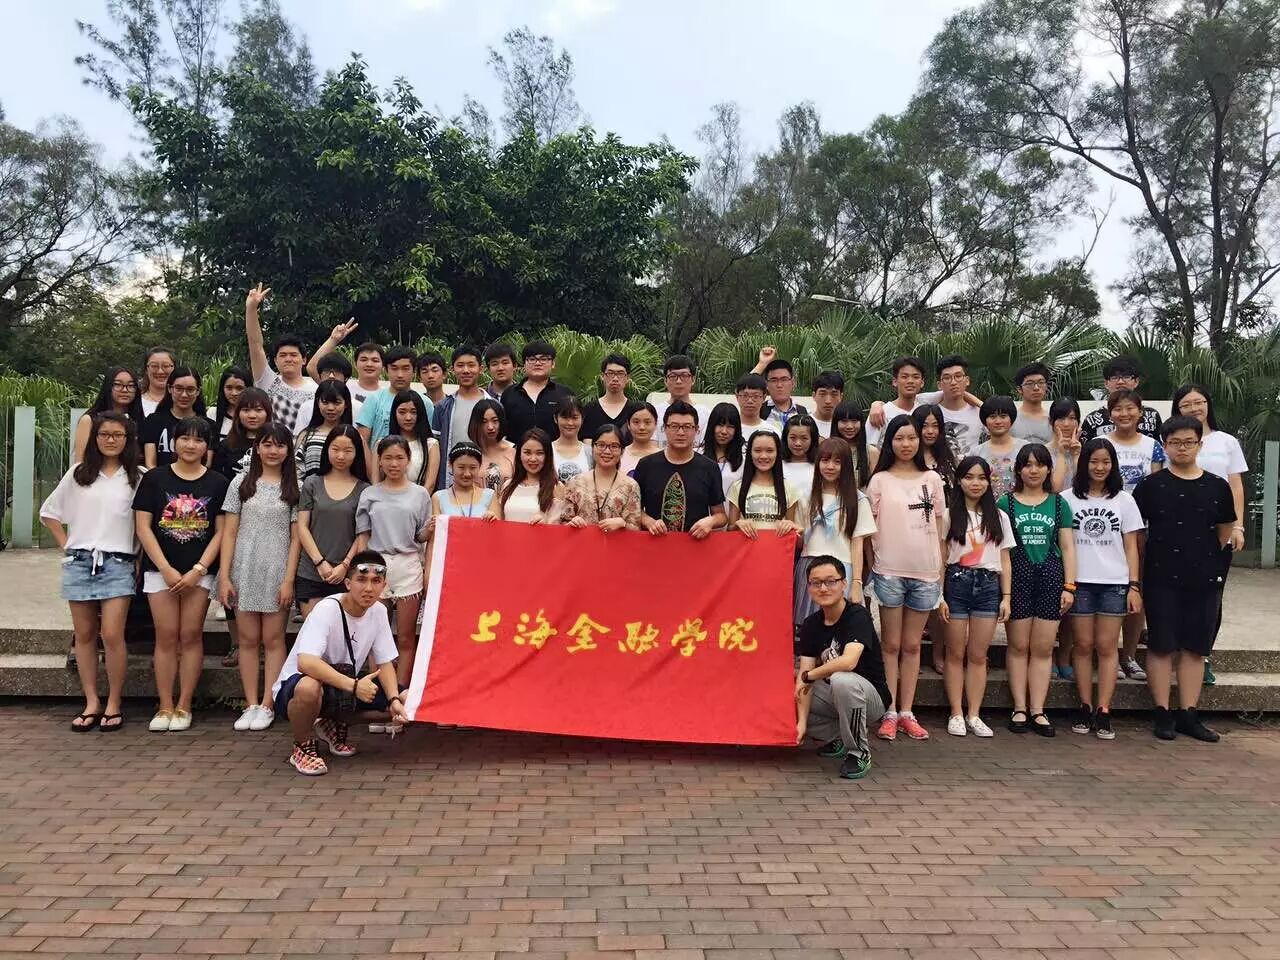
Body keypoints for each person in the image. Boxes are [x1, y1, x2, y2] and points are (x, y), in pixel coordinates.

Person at [1134, 416, 1236, 743]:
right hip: (1160, 574)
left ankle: (1188, 714)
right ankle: (1162, 712)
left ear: (1199, 445)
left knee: (1195, 646)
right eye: (1175, 442)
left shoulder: (1217, 486)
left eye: (1189, 442)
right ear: (1165, 446)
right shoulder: (1151, 485)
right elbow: (1137, 533)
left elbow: (1224, 531)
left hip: (1204, 576)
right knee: (1162, 644)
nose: (1182, 448)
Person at [40, 412, 142, 732]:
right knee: (84, 634)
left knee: (111, 634)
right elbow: (49, 513)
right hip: (80, 561)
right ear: (95, 438)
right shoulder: (79, 474)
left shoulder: (138, 477)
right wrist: (67, 546)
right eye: (104, 434)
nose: (110, 440)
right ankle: (91, 701)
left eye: (117, 435)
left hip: (119, 562)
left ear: (128, 440)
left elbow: (145, 524)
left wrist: (140, 558)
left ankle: (114, 702)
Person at [270, 550, 409, 776]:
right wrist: (354, 686)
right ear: (347, 583)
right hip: (297, 688)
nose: (368, 588)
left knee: (407, 700)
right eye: (361, 580)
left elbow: (384, 663)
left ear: (384, 585)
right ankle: (302, 746)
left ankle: (330, 723)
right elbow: (306, 662)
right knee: (309, 687)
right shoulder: (327, 608)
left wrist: (393, 698)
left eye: (376, 581)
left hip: (343, 685)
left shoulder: (379, 611)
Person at [132, 416, 228, 733]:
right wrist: (165, 568)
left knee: (190, 635)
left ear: (207, 446)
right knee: (166, 635)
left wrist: (199, 569)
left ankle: (185, 704)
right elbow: (143, 527)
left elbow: (221, 532)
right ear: (174, 442)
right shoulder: (154, 479)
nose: (191, 445)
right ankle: (164, 705)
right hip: (160, 571)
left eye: (199, 439)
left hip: (200, 573)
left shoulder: (218, 483)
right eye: (185, 438)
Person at [866, 415, 948, 741]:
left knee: (913, 645)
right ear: (890, 442)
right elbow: (869, 531)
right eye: (899, 438)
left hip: (925, 574)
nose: (906, 444)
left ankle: (907, 712)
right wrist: (873, 567)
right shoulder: (879, 480)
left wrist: (940, 573)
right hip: (888, 572)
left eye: (911, 437)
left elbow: (939, 529)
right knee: (890, 644)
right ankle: (888, 711)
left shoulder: (932, 479)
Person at [219, 424, 301, 733]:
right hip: (244, 568)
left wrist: (288, 579)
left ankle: (269, 702)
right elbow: (229, 532)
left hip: (277, 570)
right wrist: (225, 576)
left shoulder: (295, 488)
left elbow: (297, 538)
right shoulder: (241, 483)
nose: (273, 451)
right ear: (257, 448)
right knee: (248, 640)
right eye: (267, 444)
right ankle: (251, 703)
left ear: (288, 450)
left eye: (280, 445)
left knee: (274, 639)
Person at [1062, 438, 1143, 740]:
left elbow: (1131, 547)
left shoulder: (1125, 501)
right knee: (1083, 645)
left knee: (1108, 647)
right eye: (1094, 461)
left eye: (1106, 462)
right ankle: (1085, 705)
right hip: (1080, 582)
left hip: (1114, 583)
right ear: (1084, 464)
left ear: (1113, 465)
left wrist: (1134, 585)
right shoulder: (1067, 499)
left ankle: (1104, 709)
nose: (1099, 467)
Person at [1173, 383, 1248, 686]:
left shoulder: (1226, 441)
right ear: (1177, 409)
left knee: (1210, 597)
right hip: (1175, 533)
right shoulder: (1170, 441)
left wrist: (1238, 526)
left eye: (1199, 402)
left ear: (1208, 405)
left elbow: (1236, 486)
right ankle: (1177, 653)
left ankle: (1201, 655)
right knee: (1173, 596)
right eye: (1187, 404)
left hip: (1217, 532)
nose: (1194, 408)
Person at [998, 443, 1076, 738]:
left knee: (1043, 648)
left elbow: (1067, 547)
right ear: (1018, 470)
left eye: (1040, 464)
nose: (1033, 470)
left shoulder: (1058, 504)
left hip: (1050, 576)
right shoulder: (1005, 503)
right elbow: (1000, 550)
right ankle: (1019, 707)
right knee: (1018, 646)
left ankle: (1038, 709)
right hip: (1017, 575)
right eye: (1027, 465)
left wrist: (1070, 585)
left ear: (1048, 469)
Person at [795, 556, 892, 781]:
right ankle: (839, 737)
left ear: (843, 584)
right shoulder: (811, 624)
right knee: (791, 691)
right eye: (816, 583)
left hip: (870, 697)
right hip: (834, 694)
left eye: (830, 581)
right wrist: (801, 723)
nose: (823, 588)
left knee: (842, 679)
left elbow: (849, 662)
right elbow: (804, 676)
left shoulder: (857, 615)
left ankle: (858, 752)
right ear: (808, 587)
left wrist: (810, 676)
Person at [939, 456, 1014, 738]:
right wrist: (939, 595)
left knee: (979, 655)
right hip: (956, 583)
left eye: (982, 478)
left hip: (988, 585)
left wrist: (1006, 597)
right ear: (959, 481)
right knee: (955, 653)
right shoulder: (949, 515)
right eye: (969, 477)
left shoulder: (1000, 517)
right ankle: (956, 712)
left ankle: (974, 714)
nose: (976, 483)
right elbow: (941, 557)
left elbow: (1004, 559)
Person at [356, 437, 432, 689]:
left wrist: (429, 529)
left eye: (399, 457)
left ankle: (399, 693)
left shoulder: (420, 494)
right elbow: (363, 535)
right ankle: (376, 691)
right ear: (379, 461)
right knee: (376, 635)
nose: (394, 463)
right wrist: (361, 571)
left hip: (408, 565)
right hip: (376, 566)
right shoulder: (369, 494)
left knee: (406, 637)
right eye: (388, 458)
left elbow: (420, 535)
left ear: (409, 460)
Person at [795, 438, 875, 627]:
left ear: (846, 465)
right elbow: (799, 542)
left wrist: (856, 582)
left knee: (840, 627)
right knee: (810, 628)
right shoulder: (806, 497)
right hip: (810, 568)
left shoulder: (858, 500)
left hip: (841, 570)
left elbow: (857, 542)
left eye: (837, 462)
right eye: (825, 460)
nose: (830, 466)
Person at [296, 426, 370, 617]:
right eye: (335, 449)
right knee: (314, 630)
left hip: (347, 575)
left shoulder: (364, 489)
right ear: (326, 449)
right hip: (310, 571)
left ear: (357, 453)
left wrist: (345, 565)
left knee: (343, 631)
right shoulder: (312, 483)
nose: (340, 456)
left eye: (348, 450)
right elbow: (302, 526)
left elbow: (362, 534)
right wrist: (320, 562)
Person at [634, 402, 726, 538]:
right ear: (664, 428)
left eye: (687, 427)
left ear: (697, 430)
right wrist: (649, 522)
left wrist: (710, 521)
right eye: (674, 426)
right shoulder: (646, 465)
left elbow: (721, 515)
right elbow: (633, 510)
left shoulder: (709, 467)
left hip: (695, 544)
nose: (681, 432)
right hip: (655, 542)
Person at [244, 284, 317, 434]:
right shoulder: (268, 382)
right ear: (276, 361)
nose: (288, 359)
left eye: (293, 355)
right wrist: (251, 309)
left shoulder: (316, 388)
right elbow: (255, 345)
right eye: (283, 355)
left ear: (304, 360)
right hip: (273, 445)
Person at [559, 426, 644, 531]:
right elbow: (562, 524)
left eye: (614, 446)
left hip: (615, 541)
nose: (607, 451)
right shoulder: (575, 482)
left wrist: (623, 524)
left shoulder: (630, 486)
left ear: (622, 451)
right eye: (601, 445)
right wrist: (572, 522)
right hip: (582, 540)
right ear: (592, 448)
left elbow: (636, 529)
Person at [725, 431, 801, 539]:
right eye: (757, 450)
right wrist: (737, 525)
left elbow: (795, 537)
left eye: (770, 451)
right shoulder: (737, 487)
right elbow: (729, 532)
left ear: (777, 453)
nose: (764, 456)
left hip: (777, 548)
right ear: (750, 453)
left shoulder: (789, 488)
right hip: (746, 548)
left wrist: (792, 527)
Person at [430, 345, 489, 476]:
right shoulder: (443, 407)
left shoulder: (493, 405)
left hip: (484, 475)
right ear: (452, 369)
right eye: (460, 365)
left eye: (471, 365)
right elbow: (435, 447)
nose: (466, 370)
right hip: (451, 477)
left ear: (481, 369)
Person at [500, 341, 574, 443]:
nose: (538, 363)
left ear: (553, 363)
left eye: (543, 359)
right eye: (532, 359)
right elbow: (502, 430)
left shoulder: (565, 394)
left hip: (555, 451)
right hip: (516, 451)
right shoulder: (509, 394)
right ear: (524, 364)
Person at [356, 347, 424, 450]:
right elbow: (361, 442)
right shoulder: (373, 400)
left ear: (414, 370)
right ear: (386, 370)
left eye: (405, 368)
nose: (400, 375)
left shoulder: (424, 402)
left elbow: (428, 440)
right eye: (394, 368)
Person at [141, 366, 209, 469]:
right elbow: (150, 464)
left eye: (190, 389)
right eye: (178, 389)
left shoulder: (208, 425)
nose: (184, 395)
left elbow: (206, 464)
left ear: (198, 391)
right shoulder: (153, 421)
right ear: (169, 388)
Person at [1081, 356, 1164, 441]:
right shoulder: (1093, 420)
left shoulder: (1152, 416)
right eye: (1114, 377)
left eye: (1126, 377)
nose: (1120, 382)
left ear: (1136, 381)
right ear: (1106, 383)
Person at [74, 367, 144, 462]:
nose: (125, 390)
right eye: (118, 384)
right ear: (108, 387)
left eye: (131, 386)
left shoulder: (140, 421)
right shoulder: (89, 420)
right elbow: (79, 461)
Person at [497, 428, 566, 524]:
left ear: (547, 456)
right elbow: (500, 520)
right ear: (519, 454)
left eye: (539, 453)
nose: (533, 459)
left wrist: (546, 523)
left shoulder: (557, 487)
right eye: (527, 453)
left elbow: (562, 526)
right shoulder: (508, 485)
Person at [295, 380, 354, 483]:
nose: (330, 408)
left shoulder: (355, 437)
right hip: (310, 491)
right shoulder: (306, 436)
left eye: (337, 403)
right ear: (317, 402)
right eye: (325, 402)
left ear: (346, 404)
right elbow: (296, 472)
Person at [865, 356, 929, 447]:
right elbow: (869, 447)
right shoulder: (880, 413)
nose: (910, 381)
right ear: (895, 381)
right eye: (904, 377)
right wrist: (876, 404)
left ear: (922, 383)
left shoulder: (925, 410)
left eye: (915, 377)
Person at [212, 387, 272, 481]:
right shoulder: (226, 445)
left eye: (258, 410)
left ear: (267, 412)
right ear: (238, 413)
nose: (252, 416)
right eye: (246, 410)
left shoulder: (276, 444)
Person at [974, 396, 1027, 501]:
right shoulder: (976, 452)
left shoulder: (1025, 448)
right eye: (992, 417)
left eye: (1003, 416)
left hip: (1020, 506)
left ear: (1011, 419)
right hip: (987, 507)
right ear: (985, 421)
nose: (998, 421)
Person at [581, 353, 643, 441]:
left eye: (620, 374)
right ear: (602, 376)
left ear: (628, 378)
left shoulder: (635, 410)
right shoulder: (590, 409)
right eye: (610, 373)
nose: (615, 378)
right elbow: (586, 441)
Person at [431, 442, 497, 522]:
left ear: (480, 466)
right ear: (451, 465)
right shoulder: (439, 497)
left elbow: (499, 528)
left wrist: (493, 519)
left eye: (473, 468)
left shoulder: (489, 496)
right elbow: (436, 528)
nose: (467, 474)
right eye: (461, 467)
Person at [387, 390, 440, 489]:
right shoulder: (382, 444)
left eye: (413, 412)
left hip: (421, 497)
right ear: (394, 413)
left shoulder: (431, 444)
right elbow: (376, 481)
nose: (408, 417)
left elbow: (430, 484)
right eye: (402, 412)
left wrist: (417, 499)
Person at [654, 356, 710, 445]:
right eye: (673, 376)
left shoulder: (705, 414)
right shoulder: (655, 413)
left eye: (684, 376)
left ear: (693, 379)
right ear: (665, 380)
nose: (679, 381)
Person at [750, 349, 808, 428]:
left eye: (784, 379)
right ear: (766, 384)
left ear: (793, 382)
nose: (779, 385)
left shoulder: (804, 413)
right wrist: (762, 363)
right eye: (774, 380)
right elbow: (745, 387)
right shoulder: (758, 410)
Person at [468, 398, 516, 492]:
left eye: (495, 421)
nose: (490, 427)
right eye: (484, 422)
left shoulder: (514, 451)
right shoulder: (469, 453)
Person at [303, 318, 361, 389]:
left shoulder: (351, 388)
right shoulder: (333, 387)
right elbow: (312, 367)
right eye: (327, 371)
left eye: (337, 372)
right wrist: (333, 339)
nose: (331, 376)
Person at [703, 403, 745, 495]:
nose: (724, 431)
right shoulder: (696, 455)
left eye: (730, 427)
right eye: (720, 425)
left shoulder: (743, 462)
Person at [833, 402, 878, 487]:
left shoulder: (871, 452)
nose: (849, 426)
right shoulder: (827, 449)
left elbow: (877, 485)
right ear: (836, 423)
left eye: (854, 421)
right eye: (844, 421)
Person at [551, 395, 593, 483]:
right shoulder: (547, 450)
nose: (570, 423)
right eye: (565, 417)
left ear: (582, 419)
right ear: (555, 418)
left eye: (574, 418)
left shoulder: (591, 452)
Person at [1011, 363, 1054, 443]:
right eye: (1030, 383)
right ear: (1019, 389)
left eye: (1041, 382)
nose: (1036, 388)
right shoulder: (1011, 420)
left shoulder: (1053, 420)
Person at [1047, 397, 1083, 493]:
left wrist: (1076, 455)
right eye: (1061, 418)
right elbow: (1055, 489)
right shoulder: (1043, 453)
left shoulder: (1087, 452)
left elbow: (1085, 486)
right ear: (1050, 421)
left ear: (1078, 422)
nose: (1066, 424)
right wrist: (1061, 453)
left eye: (1072, 418)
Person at [619, 402, 662, 477]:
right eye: (636, 422)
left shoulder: (663, 457)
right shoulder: (619, 455)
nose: (642, 427)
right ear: (628, 424)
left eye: (647, 422)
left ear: (655, 424)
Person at [781, 415, 820, 493]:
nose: (798, 443)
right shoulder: (778, 465)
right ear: (786, 438)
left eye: (804, 438)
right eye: (793, 438)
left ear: (812, 440)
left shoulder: (819, 466)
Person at [347, 342, 386, 420]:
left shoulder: (387, 395)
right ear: (355, 364)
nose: (369, 364)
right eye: (363, 360)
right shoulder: (345, 389)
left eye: (375, 360)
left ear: (383, 366)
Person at [212, 366, 252, 440]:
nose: (234, 393)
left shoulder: (254, 416)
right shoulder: (212, 413)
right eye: (229, 388)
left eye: (239, 388)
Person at [140, 347, 177, 416]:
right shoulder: (135, 402)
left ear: (174, 369)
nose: (160, 371)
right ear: (146, 370)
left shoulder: (183, 401)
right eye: (154, 366)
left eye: (166, 366)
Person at [808, 371, 844, 438]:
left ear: (841, 397)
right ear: (814, 396)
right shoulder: (805, 425)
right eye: (822, 394)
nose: (828, 401)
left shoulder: (847, 428)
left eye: (834, 394)